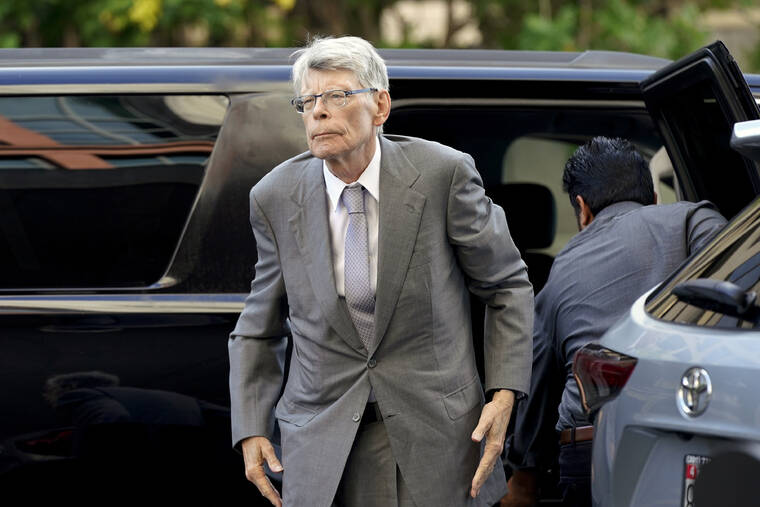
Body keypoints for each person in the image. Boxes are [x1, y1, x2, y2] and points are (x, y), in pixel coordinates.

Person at [228, 35, 534, 507]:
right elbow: (258, 325)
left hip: (437, 440)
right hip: (322, 445)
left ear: (380, 105)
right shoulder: (275, 196)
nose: (318, 112)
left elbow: (507, 286)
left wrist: (504, 393)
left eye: (336, 96)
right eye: (307, 101)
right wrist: (251, 426)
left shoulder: (441, 175)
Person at [502, 137, 726, 507]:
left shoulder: (561, 270)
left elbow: (537, 381)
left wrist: (523, 474)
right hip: (691, 429)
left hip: (589, 449)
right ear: (655, 198)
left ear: (582, 209)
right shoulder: (692, 220)